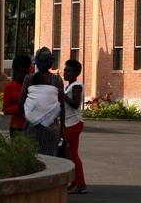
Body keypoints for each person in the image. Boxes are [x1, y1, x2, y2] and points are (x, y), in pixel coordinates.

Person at [21, 47, 65, 156]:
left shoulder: (29, 79)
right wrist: (63, 127)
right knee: (50, 159)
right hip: (52, 127)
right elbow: (62, 106)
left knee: (32, 158)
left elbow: (21, 102)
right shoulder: (57, 80)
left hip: (32, 127)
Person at [62, 59, 88, 195]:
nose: (65, 73)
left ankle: (81, 183)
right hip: (68, 123)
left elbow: (76, 104)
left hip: (74, 123)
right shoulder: (68, 87)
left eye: (68, 70)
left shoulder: (76, 86)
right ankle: (74, 182)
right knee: (69, 155)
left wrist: (63, 96)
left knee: (73, 154)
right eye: (65, 70)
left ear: (77, 73)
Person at [3, 53, 31, 137]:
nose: (24, 76)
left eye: (26, 73)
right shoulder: (10, 87)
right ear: (15, 71)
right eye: (22, 73)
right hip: (17, 127)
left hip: (32, 127)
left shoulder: (33, 85)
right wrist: (20, 107)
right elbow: (6, 110)